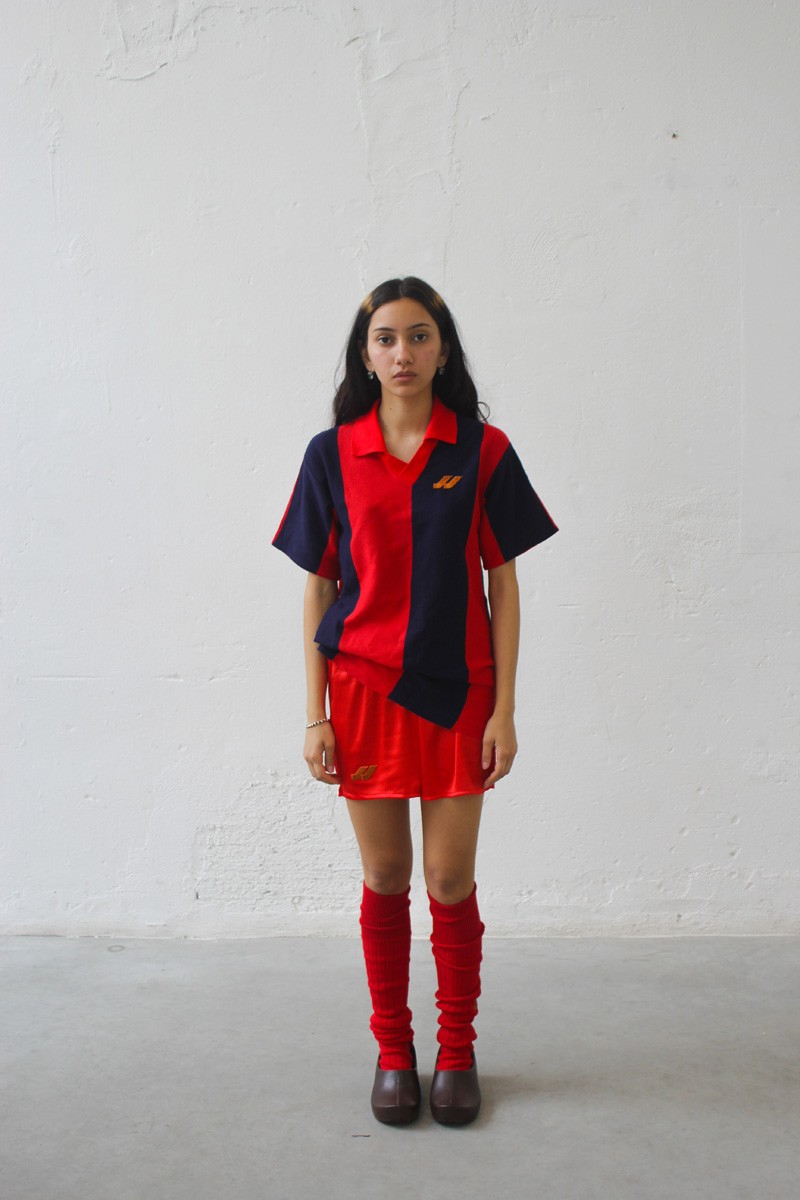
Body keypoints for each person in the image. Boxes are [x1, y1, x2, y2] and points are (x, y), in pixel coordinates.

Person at [272, 276, 558, 1127]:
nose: (404, 352)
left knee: (448, 877)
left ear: (444, 349)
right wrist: (316, 715)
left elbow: (503, 586)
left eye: (420, 336)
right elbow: (319, 588)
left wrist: (505, 710)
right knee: (387, 875)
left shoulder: (483, 450)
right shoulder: (331, 455)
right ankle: (394, 1051)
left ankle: (457, 1051)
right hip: (363, 692)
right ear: (365, 355)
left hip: (461, 693)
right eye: (387, 338)